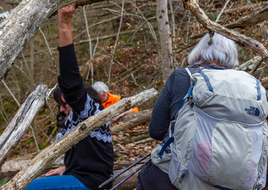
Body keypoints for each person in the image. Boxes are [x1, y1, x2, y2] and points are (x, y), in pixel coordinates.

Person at [25, 3, 114, 190]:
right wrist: (66, 167)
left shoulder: (90, 110)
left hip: (92, 183)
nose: (61, 108)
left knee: (32, 188)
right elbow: (87, 154)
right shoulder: (74, 117)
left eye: (63, 103)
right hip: (78, 176)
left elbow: (71, 81)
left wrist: (64, 25)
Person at [136, 32, 240, 190]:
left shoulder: (182, 76)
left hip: (179, 174)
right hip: (232, 177)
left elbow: (156, 130)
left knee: (147, 175)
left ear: (199, 52)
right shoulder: (248, 85)